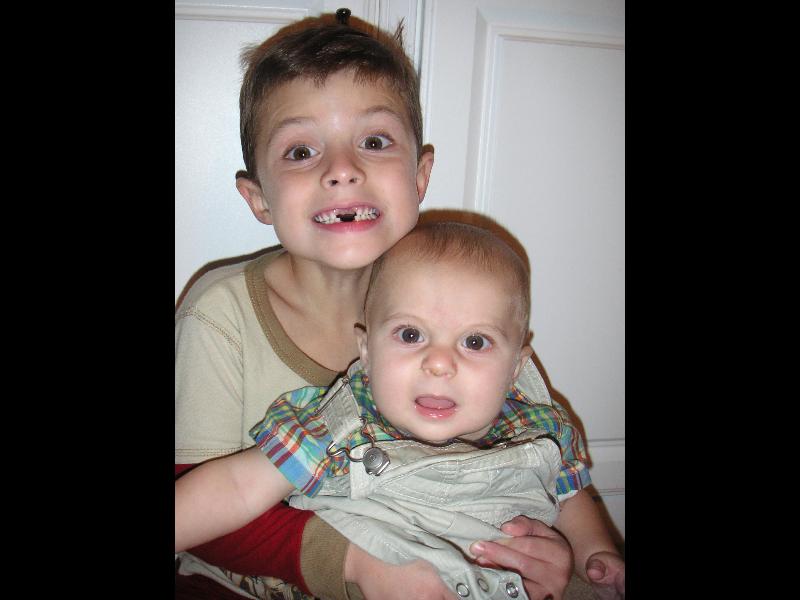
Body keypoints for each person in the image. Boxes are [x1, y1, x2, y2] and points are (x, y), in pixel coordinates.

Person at [175, 9, 577, 600]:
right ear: (258, 198)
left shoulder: (464, 301)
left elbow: (543, 453)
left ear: (420, 175)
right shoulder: (219, 315)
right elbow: (193, 511)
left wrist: (551, 546)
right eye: (301, 151)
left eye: (373, 141)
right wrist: (355, 563)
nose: (342, 170)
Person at [176, 222, 625, 600]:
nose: (440, 363)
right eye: (411, 335)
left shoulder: (540, 427)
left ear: (515, 369)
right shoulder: (337, 426)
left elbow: (570, 494)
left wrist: (595, 555)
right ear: (366, 352)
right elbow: (237, 487)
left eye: (475, 341)